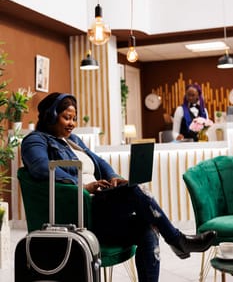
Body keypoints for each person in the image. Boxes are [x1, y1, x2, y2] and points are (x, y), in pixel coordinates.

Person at [21, 92, 216, 282]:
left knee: (147, 228)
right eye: (67, 118)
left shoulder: (73, 140)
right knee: (135, 191)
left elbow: (100, 162)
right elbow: (41, 168)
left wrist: (113, 177)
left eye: (74, 118)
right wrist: (83, 186)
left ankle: (177, 242)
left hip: (99, 206)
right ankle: (177, 240)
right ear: (50, 116)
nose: (72, 123)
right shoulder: (35, 140)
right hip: (80, 211)